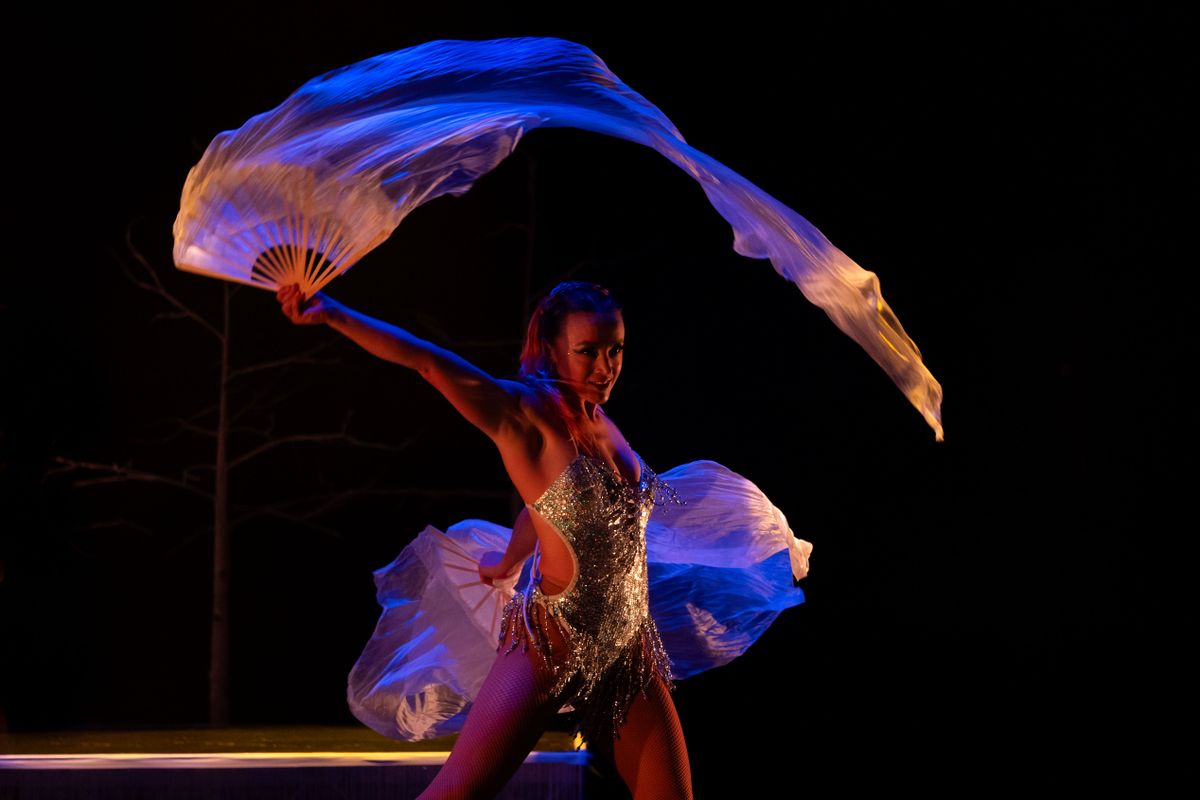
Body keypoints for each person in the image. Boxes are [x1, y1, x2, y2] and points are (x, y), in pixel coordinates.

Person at [278, 279, 696, 798]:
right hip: (552, 642)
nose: (605, 366)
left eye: (615, 349)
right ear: (551, 350)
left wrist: (509, 559)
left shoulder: (603, 423)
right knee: (458, 792)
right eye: (587, 352)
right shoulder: (525, 413)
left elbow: (548, 505)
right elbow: (429, 362)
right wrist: (333, 313)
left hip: (626, 647)